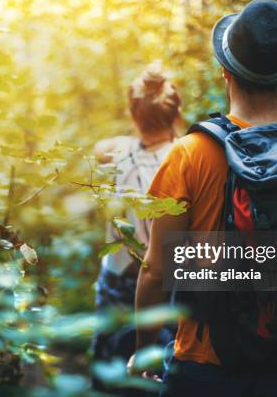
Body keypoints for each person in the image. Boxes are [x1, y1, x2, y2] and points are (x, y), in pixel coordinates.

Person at [131, 0, 277, 396]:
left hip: (205, 365)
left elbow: (155, 271)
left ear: (225, 71)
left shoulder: (192, 154)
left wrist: (143, 354)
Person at [92, 62, 180, 394]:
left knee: (110, 374)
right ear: (176, 112)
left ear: (133, 112)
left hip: (117, 277)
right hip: (164, 285)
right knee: (161, 377)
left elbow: (100, 148)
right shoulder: (185, 157)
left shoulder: (116, 152)